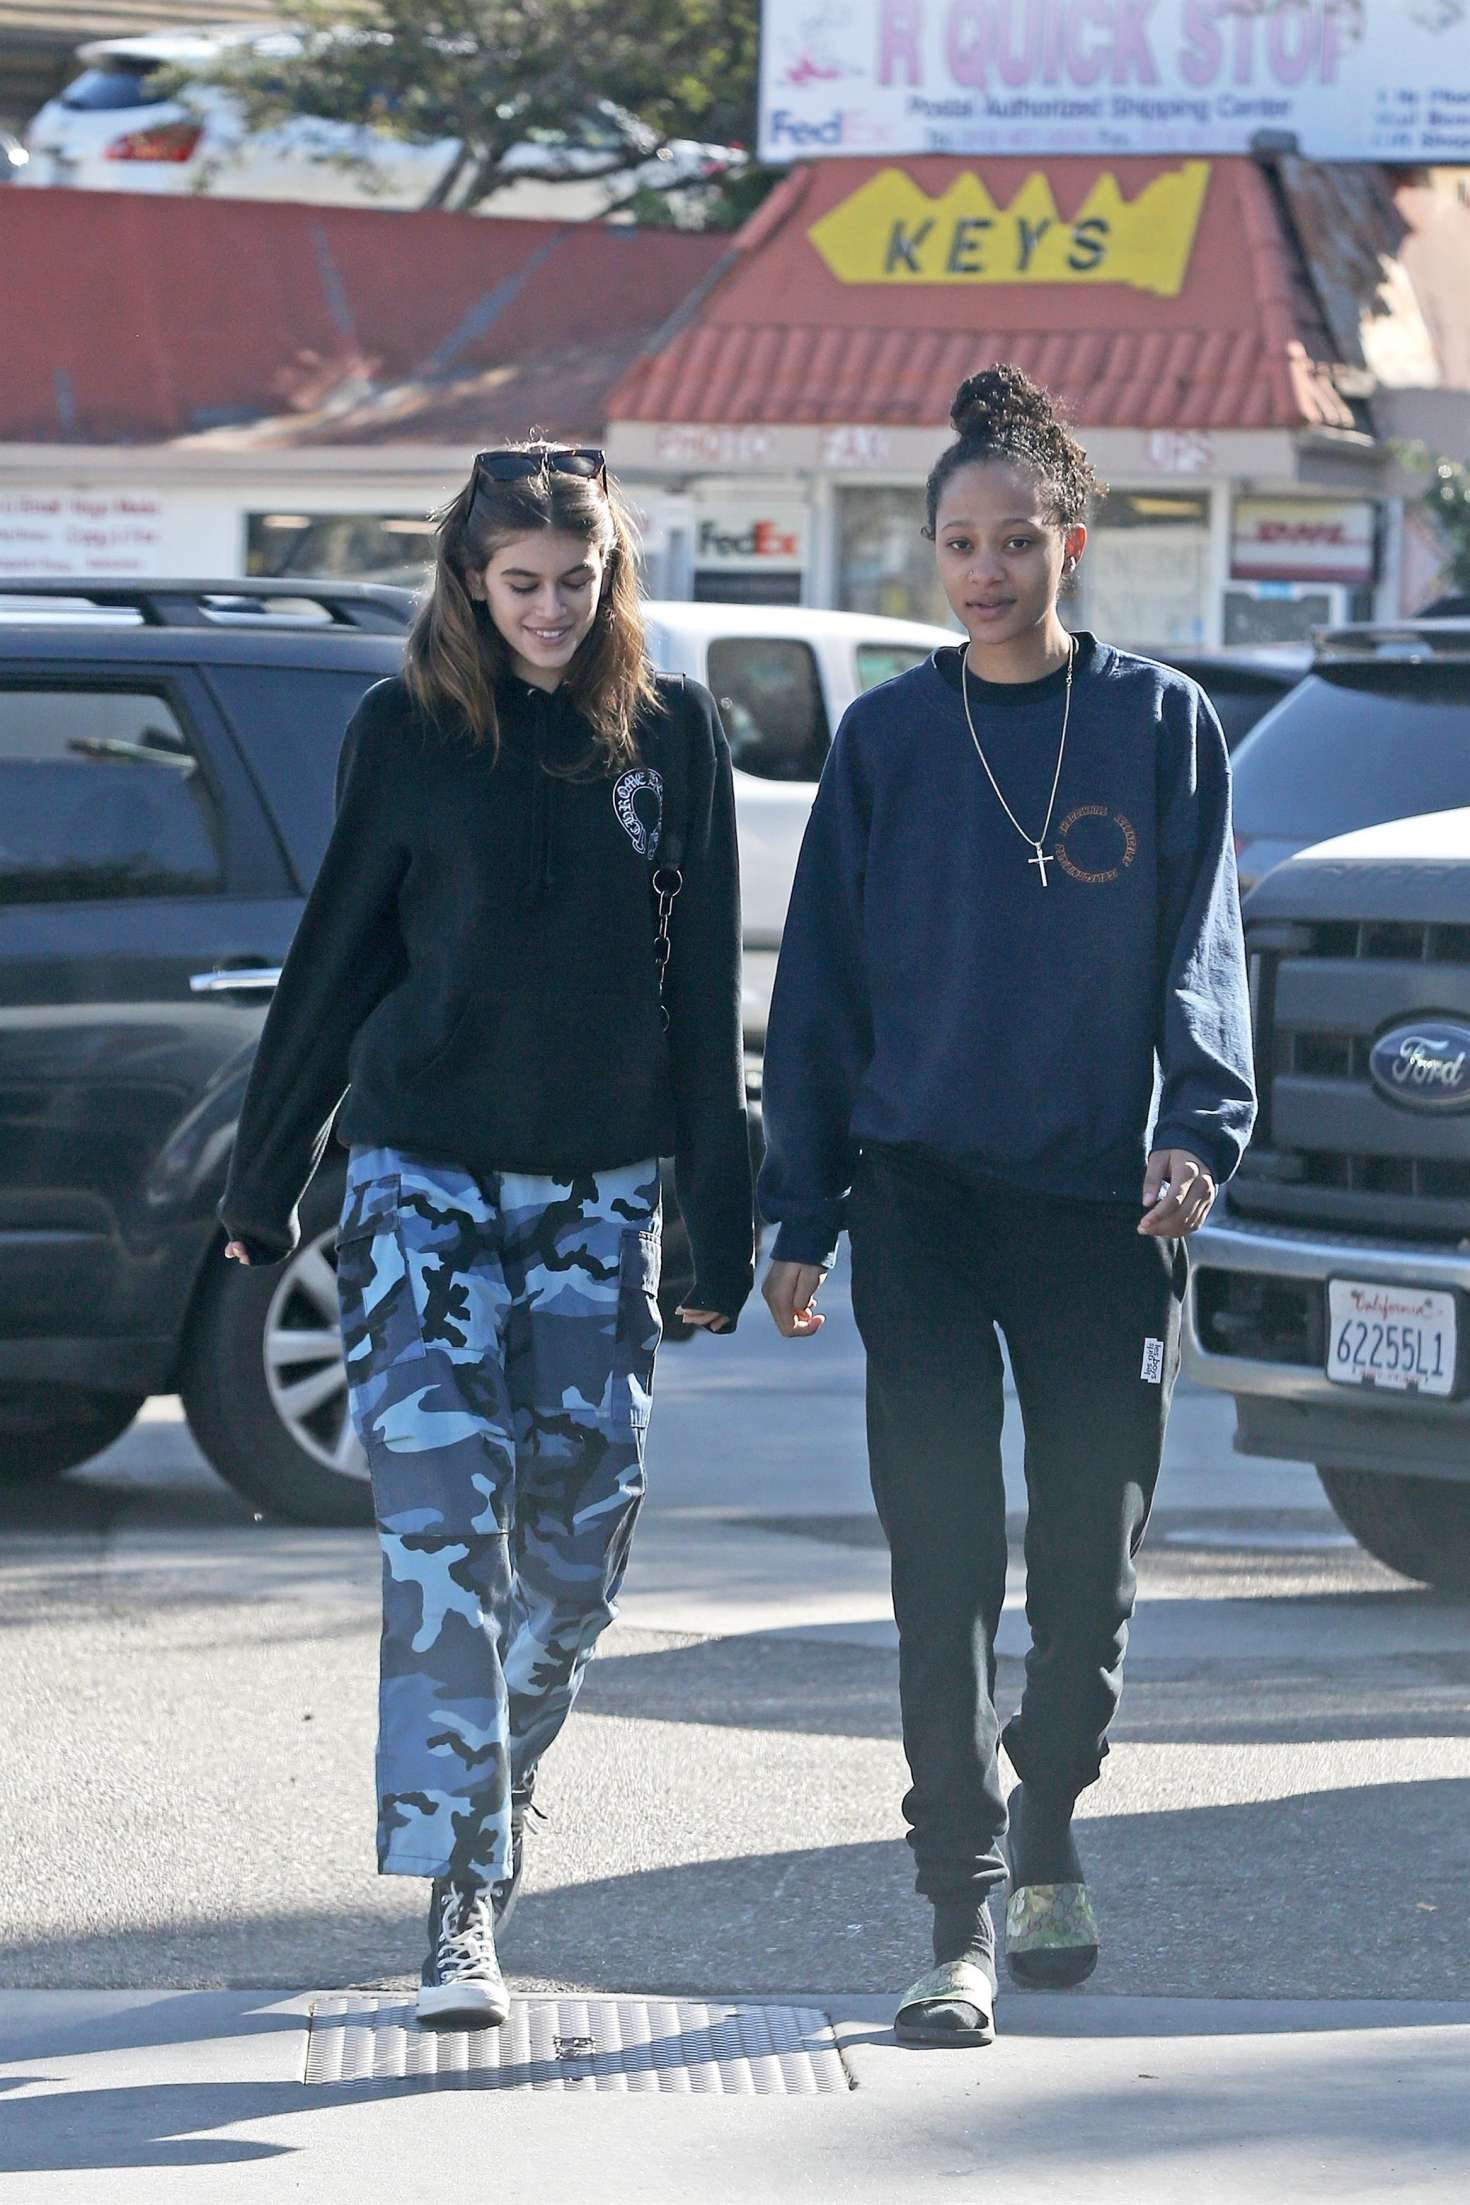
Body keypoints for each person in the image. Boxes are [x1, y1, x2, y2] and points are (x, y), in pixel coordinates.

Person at [218, 442, 753, 2030]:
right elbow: (335, 955)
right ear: (466, 578)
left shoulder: (672, 732)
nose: (550, 609)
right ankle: (462, 1893)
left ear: (612, 576)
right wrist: (265, 1173)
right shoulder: (403, 733)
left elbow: (701, 983)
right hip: (420, 1179)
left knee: (579, 1548)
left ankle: (495, 1792)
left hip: (600, 1185)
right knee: (443, 1527)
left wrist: (716, 1218)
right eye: (521, 583)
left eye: (577, 581)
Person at [757, 367, 1255, 2049]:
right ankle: (957, 1908)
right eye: (959, 542)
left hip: (1100, 1206)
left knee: (1087, 1574)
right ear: (933, 554)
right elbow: (819, 988)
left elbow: (1201, 948)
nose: (985, 569)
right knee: (943, 1557)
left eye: (1016, 539)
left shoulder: (1158, 724)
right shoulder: (888, 738)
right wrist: (801, 1209)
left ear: (1070, 543)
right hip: (921, 1196)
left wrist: (1196, 1128)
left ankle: (1048, 1814)